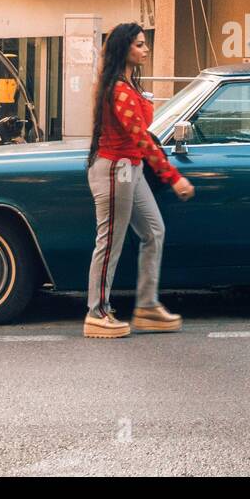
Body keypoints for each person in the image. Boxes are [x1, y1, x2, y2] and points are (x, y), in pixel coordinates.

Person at [84, 22, 195, 338]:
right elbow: (143, 139)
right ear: (124, 49)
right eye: (140, 45)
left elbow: (141, 141)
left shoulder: (127, 85)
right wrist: (173, 178)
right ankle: (97, 313)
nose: (145, 50)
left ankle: (146, 306)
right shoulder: (119, 90)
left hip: (129, 169)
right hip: (115, 169)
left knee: (154, 231)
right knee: (110, 244)